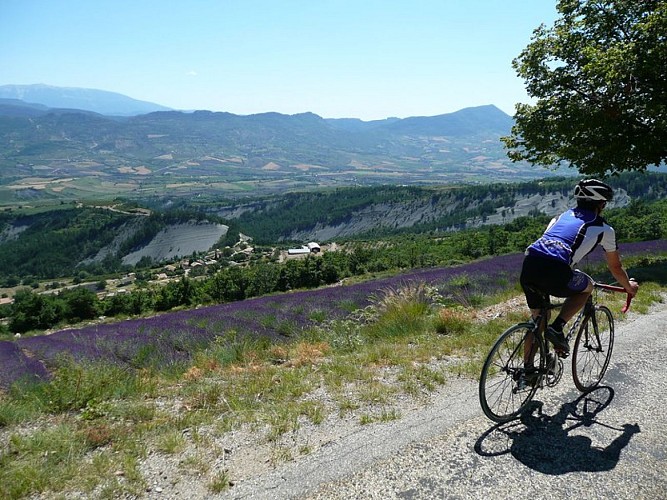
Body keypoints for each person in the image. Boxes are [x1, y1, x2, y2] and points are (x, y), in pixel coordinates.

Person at [520, 178, 639, 356]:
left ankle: (527, 371)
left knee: (539, 319)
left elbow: (549, 245)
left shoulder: (559, 217)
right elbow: (615, 267)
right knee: (587, 287)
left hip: (529, 264)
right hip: (556, 269)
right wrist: (629, 287)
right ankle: (558, 328)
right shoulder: (605, 229)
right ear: (601, 204)